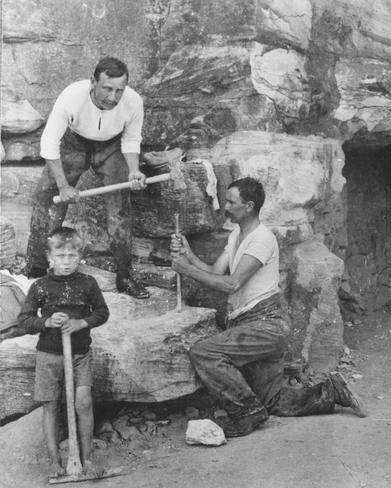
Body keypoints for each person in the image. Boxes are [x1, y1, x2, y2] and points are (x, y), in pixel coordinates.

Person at [170, 177, 366, 438]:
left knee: (204, 352)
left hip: (266, 324)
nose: (225, 207)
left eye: (231, 202)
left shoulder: (262, 239)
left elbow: (231, 284)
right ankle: (330, 391)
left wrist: (185, 270)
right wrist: (188, 255)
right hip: (249, 323)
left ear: (249, 206)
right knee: (273, 402)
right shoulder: (237, 235)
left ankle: (246, 414)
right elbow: (215, 272)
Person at [24, 56, 150, 299]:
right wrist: (62, 186)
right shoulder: (71, 97)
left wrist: (134, 170)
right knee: (47, 199)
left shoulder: (133, 102)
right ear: (93, 82)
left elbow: (132, 139)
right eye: (107, 89)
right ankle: (37, 270)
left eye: (119, 91)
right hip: (74, 142)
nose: (113, 97)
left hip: (112, 145)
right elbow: (49, 142)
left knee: (120, 207)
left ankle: (124, 275)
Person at [16, 227, 109, 479]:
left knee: (84, 402)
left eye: (71, 255)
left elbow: (102, 312)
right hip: (48, 355)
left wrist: (82, 322)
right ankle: (55, 462)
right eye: (60, 256)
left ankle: (86, 458)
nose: (66, 261)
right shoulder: (40, 287)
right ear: (49, 257)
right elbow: (24, 321)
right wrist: (46, 322)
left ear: (80, 256)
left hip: (79, 355)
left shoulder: (87, 283)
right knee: (51, 405)